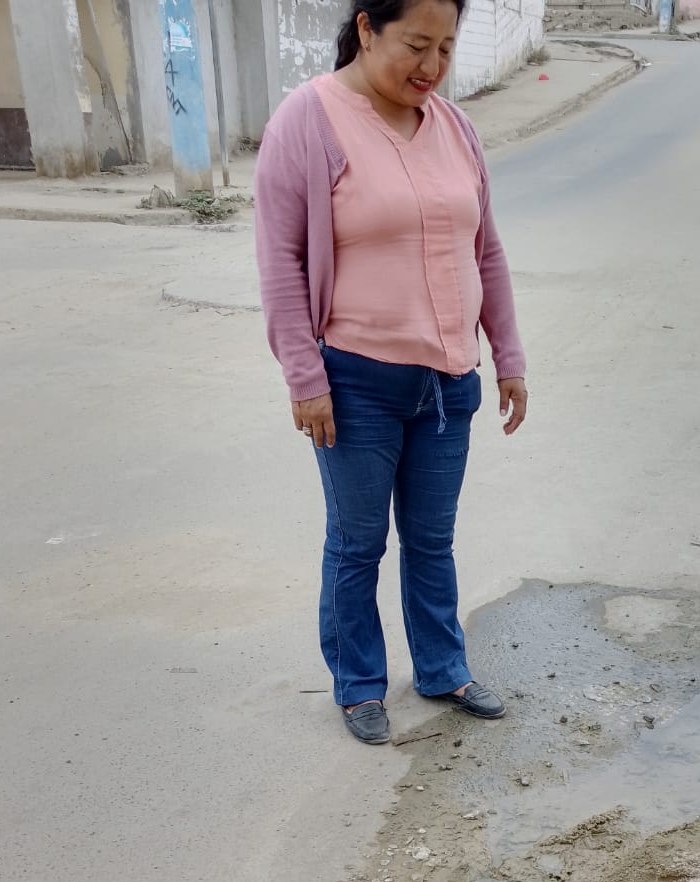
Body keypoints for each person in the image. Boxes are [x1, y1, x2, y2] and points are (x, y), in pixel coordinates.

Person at [254, 0, 528, 746]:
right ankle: (359, 684)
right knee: (358, 543)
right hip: (356, 383)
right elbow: (281, 261)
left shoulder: (454, 127)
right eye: (416, 44)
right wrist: (304, 378)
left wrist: (507, 355)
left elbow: (486, 251)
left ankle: (442, 668)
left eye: (446, 48)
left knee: (433, 541)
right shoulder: (308, 121)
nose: (432, 67)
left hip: (449, 383)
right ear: (367, 29)